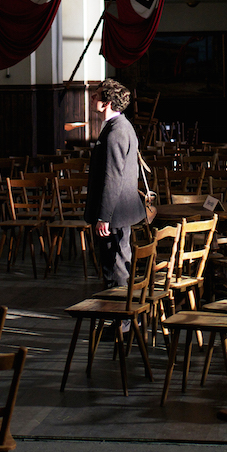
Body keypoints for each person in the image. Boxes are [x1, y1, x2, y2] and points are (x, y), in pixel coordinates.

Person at [84, 79, 146, 292]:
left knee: (116, 268)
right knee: (116, 264)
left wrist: (104, 217)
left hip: (115, 213)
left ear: (107, 102)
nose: (93, 98)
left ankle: (123, 320)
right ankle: (121, 320)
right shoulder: (118, 126)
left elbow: (112, 178)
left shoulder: (116, 132)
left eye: (97, 94)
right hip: (118, 212)